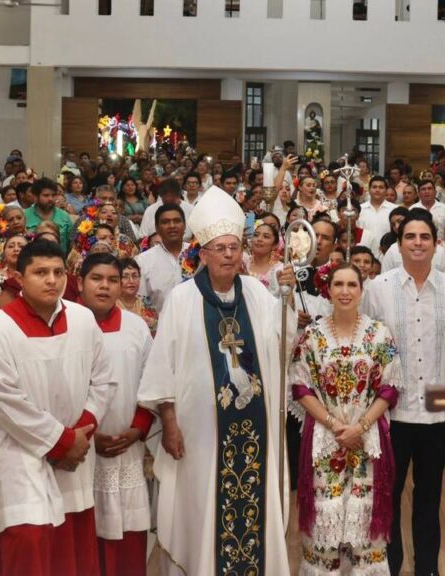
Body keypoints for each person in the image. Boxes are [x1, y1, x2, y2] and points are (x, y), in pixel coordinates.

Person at [137, 188, 296, 575]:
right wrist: (170, 424)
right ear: (203, 253)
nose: (228, 254)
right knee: (202, 511)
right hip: (200, 437)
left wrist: (288, 298)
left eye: (234, 247)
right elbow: (163, 368)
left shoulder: (258, 294)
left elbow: (283, 343)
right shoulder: (182, 299)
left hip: (254, 433)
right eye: (220, 248)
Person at [0, 238, 117, 576]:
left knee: (76, 553)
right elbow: (4, 399)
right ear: (19, 277)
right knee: (30, 548)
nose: (51, 280)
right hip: (22, 456)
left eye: (57, 272)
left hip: (78, 456)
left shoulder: (83, 319)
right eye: (40, 272)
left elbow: (104, 380)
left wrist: (80, 433)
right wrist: (62, 442)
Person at [361, 210, 445, 576]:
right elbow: (367, 352)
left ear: (437, 244)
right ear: (400, 242)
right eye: (411, 237)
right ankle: (388, 569)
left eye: (425, 237)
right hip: (391, 417)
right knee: (388, 500)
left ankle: (427, 569)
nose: (418, 243)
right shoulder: (378, 289)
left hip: (437, 417)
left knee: (429, 500)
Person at [290, 263, 400, 575]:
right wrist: (334, 424)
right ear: (328, 289)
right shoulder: (311, 335)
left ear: (362, 291)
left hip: (367, 441)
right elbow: (300, 387)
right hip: (327, 441)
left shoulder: (379, 334)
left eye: (352, 285)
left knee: (364, 530)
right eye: (338, 284)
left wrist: (360, 426)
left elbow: (390, 388)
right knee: (325, 529)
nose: (345, 291)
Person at [77, 253, 155, 576]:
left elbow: (153, 381)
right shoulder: (67, 327)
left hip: (129, 448)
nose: (105, 286)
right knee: (86, 538)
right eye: (97, 279)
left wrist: (138, 429)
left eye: (113, 279)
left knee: (129, 538)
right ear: (80, 283)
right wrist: (85, 439)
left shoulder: (136, 327)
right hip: (82, 454)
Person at [134, 203, 188, 314]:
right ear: (157, 228)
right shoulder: (143, 260)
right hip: (159, 326)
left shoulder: (199, 254)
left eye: (177, 221)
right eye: (166, 222)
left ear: (185, 226)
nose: (172, 225)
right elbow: (140, 300)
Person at [24, 178, 74, 252]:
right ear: (36, 197)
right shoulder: (24, 215)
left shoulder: (64, 216)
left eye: (53, 195)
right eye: (46, 195)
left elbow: (71, 244)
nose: (50, 199)